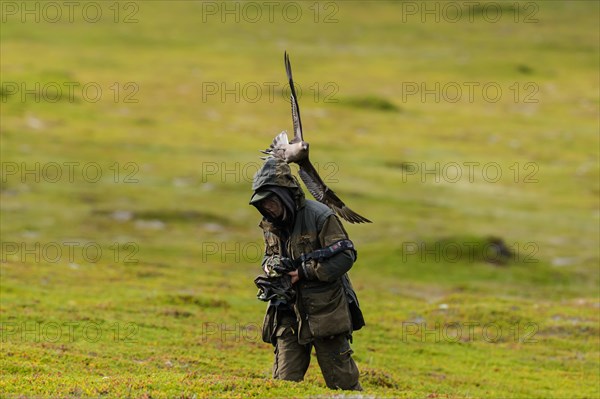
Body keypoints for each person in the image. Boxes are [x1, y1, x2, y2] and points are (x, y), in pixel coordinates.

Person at [249, 157, 365, 391]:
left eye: (271, 202)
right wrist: (270, 268)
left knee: (344, 385)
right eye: (263, 204)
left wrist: (303, 272)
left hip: (326, 313)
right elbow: (267, 256)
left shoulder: (321, 216)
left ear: (284, 195)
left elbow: (345, 256)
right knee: (284, 386)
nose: (267, 208)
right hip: (287, 312)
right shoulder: (270, 224)